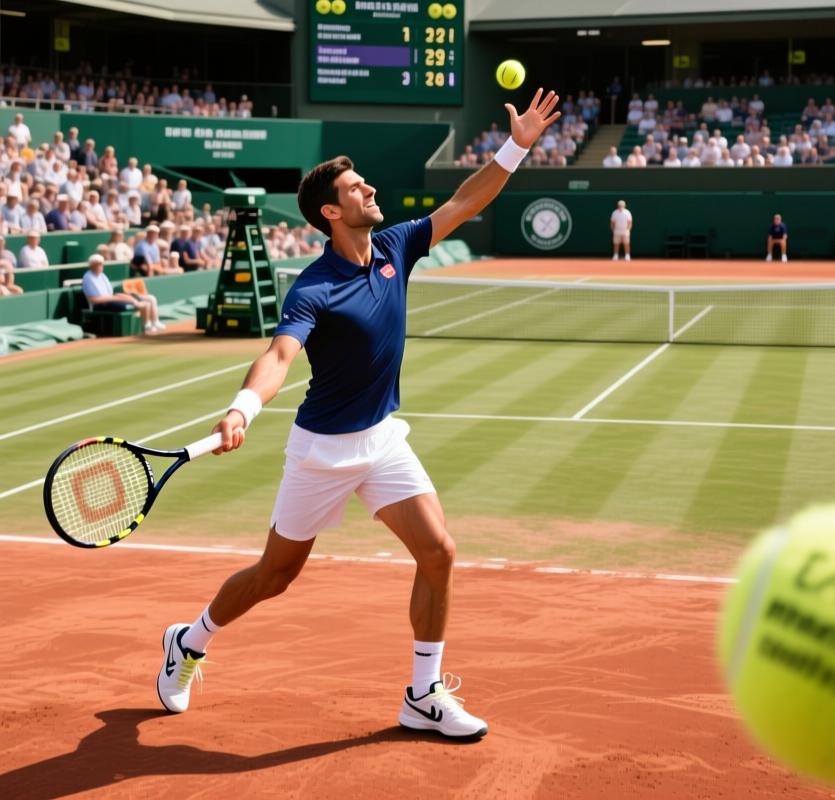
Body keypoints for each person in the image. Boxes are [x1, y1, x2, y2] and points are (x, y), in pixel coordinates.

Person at [153, 87, 561, 741]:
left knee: (439, 552)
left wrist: (517, 146)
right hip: (322, 450)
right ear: (330, 210)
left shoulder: (398, 246)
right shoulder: (312, 287)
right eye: (356, 186)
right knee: (274, 576)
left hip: (382, 438)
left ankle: (422, 696)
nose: (369, 189)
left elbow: (464, 202)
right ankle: (189, 640)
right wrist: (242, 407)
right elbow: (280, 354)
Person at [81, 254, 164, 333]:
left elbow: (111, 294)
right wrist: (116, 298)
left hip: (109, 300)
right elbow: (94, 300)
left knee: (150, 299)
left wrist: (119, 297)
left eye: (101, 264)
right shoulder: (88, 278)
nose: (100, 266)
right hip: (99, 305)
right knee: (143, 304)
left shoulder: (102, 275)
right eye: (98, 264)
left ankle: (154, 322)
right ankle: (146, 326)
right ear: (91, 266)